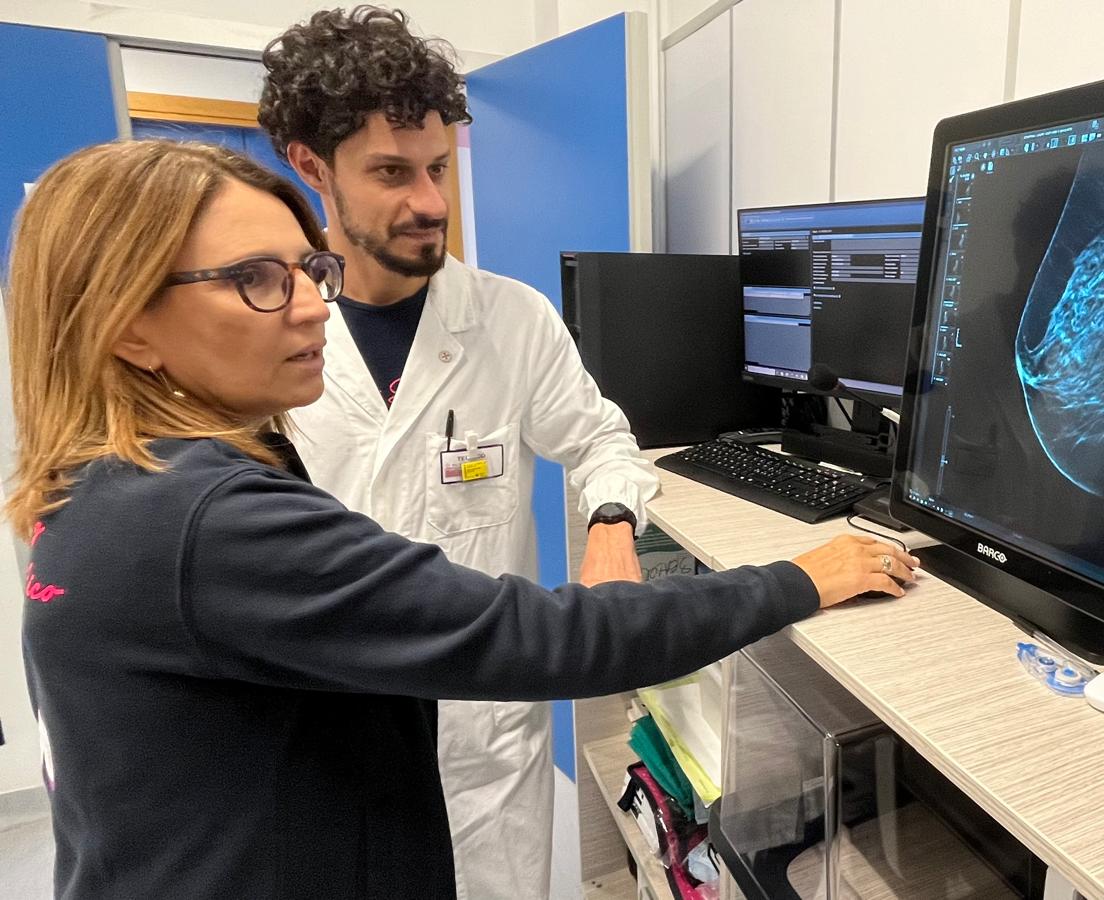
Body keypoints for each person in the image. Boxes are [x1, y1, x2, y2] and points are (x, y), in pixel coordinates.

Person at [8, 139, 919, 899]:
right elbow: (540, 637)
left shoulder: (101, 485)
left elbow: (599, 440)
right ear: (127, 324)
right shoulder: (202, 519)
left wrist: (610, 520)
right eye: (255, 280)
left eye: (306, 271)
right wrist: (802, 577)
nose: (311, 307)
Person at [256, 9, 656, 896]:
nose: (431, 202)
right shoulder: (270, 334)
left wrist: (611, 521)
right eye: (391, 173)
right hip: (330, 737)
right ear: (312, 166)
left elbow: (600, 438)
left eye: (438, 167)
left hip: (483, 747)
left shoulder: (511, 319)